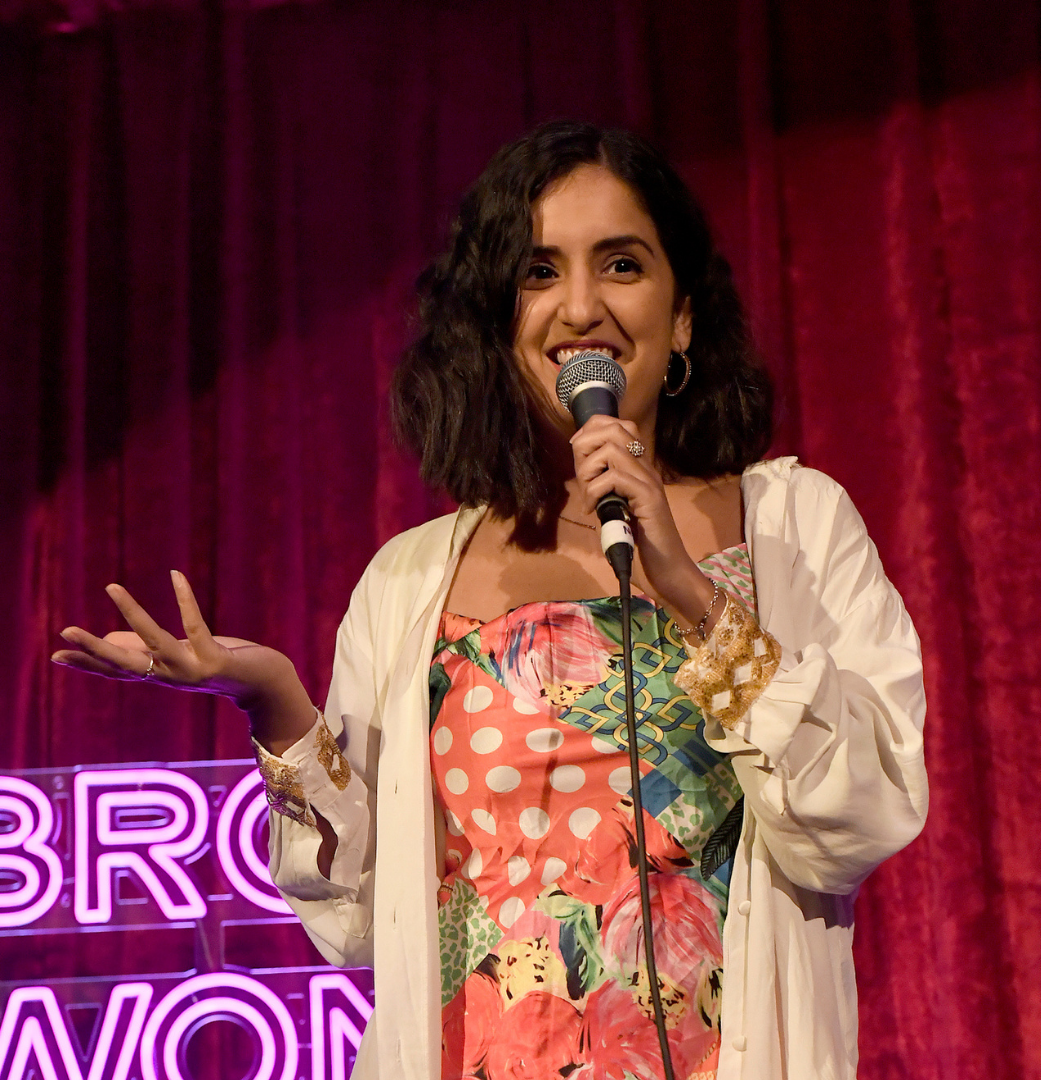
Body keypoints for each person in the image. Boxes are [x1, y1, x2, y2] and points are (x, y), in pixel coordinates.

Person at [52, 121, 928, 1080]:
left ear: (682, 316)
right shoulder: (410, 581)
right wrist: (277, 705)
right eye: (539, 273)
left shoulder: (796, 524)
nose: (581, 306)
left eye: (622, 264)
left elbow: (866, 814)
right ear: (498, 322)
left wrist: (687, 586)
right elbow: (360, 919)